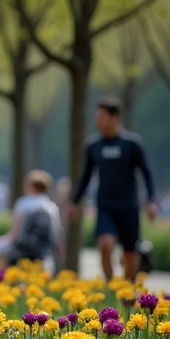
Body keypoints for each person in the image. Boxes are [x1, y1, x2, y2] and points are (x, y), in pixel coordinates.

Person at [68, 97, 157, 282]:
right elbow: (85, 176)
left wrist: (151, 201)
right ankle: (111, 286)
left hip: (129, 205)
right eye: (96, 117)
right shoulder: (93, 146)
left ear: (114, 117)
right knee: (105, 244)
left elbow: (146, 173)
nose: (97, 122)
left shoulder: (132, 143)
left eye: (101, 117)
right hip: (106, 205)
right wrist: (74, 202)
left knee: (130, 251)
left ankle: (129, 286)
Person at [0, 170, 63, 272]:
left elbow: (14, 235)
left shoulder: (23, 203)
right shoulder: (51, 206)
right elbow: (58, 235)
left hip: (23, 248)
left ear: (30, 186)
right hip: (44, 251)